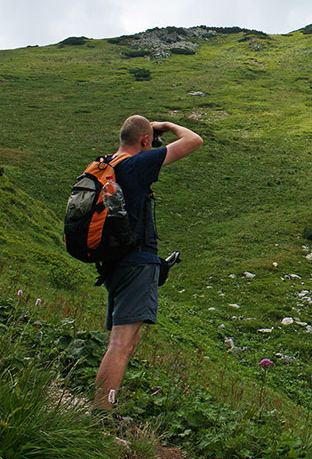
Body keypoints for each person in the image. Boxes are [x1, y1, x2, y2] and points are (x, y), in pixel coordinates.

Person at [93, 115, 202, 411]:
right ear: (144, 140)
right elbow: (194, 140)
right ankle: (102, 412)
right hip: (135, 263)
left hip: (115, 262)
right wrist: (166, 126)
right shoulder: (135, 165)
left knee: (125, 340)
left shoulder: (107, 164)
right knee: (122, 343)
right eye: (150, 141)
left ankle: (106, 406)